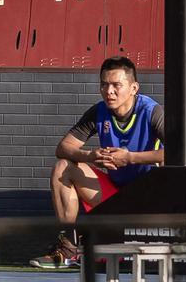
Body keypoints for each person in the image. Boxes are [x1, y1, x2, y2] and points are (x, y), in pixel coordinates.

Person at [30, 56, 165, 269]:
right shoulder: (99, 111)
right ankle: (69, 249)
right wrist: (92, 156)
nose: (108, 91)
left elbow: (180, 152)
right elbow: (63, 148)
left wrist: (129, 157)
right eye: (104, 84)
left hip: (146, 200)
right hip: (114, 198)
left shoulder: (152, 111)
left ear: (133, 88)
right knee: (63, 167)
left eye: (116, 85)